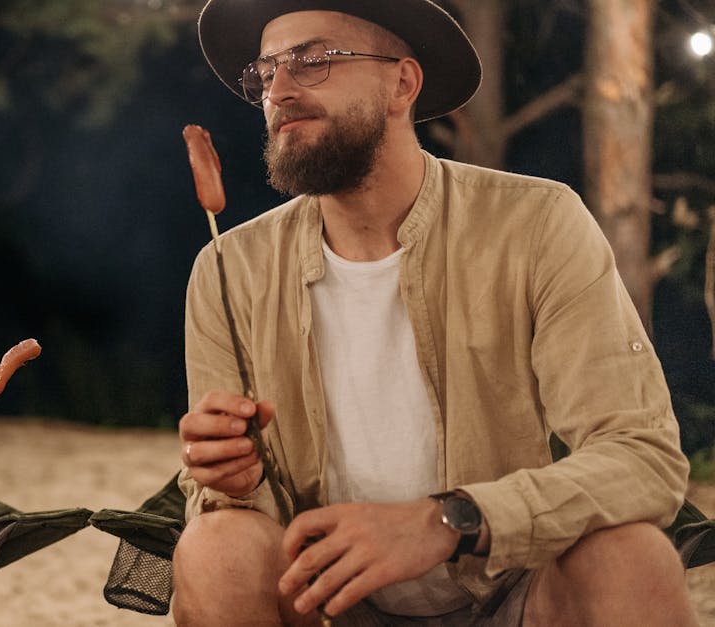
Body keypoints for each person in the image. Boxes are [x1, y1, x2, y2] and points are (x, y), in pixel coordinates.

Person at [173, 1, 698, 625]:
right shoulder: (229, 268)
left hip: (510, 591)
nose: (279, 90)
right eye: (265, 72)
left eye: (314, 60)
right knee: (215, 548)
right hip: (327, 603)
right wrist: (239, 484)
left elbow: (641, 457)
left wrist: (448, 520)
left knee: (632, 556)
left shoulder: (534, 224)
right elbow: (221, 500)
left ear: (402, 83)